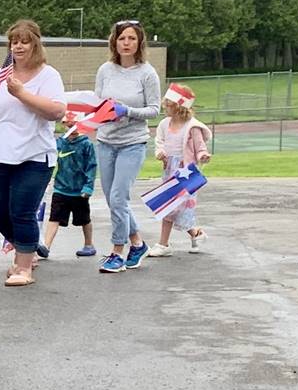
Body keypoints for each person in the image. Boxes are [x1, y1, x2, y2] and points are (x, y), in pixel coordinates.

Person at [0, 19, 67, 288]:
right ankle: (28, 246)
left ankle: (23, 266)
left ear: (36, 44)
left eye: (25, 41)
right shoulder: (0, 76)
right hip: (1, 155)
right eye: (14, 41)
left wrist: (21, 93)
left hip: (35, 155)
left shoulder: (48, 75)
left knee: (21, 210)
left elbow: (56, 111)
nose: (18, 46)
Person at [91, 18, 162, 273]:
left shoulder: (147, 73)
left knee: (120, 196)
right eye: (122, 38)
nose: (126, 43)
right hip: (106, 141)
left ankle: (116, 252)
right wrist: (101, 112)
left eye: (131, 38)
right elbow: (97, 103)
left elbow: (154, 109)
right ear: (115, 41)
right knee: (113, 200)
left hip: (132, 142)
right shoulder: (105, 70)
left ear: (139, 41)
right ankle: (137, 242)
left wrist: (127, 111)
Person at [150, 83, 213, 255]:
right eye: (165, 104)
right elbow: (159, 142)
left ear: (179, 107)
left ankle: (166, 244)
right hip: (169, 170)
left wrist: (202, 156)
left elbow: (200, 147)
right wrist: (160, 153)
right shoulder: (164, 124)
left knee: (175, 207)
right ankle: (192, 235)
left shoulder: (192, 127)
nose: (165, 107)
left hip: (187, 172)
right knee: (171, 207)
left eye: (169, 104)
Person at [40, 122, 99, 259]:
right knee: (54, 218)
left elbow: (91, 166)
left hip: (79, 190)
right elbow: (51, 155)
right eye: (69, 126)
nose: (73, 130)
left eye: (76, 126)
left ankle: (89, 244)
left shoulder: (86, 145)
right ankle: (46, 246)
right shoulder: (61, 143)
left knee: (84, 219)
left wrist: (88, 186)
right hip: (61, 188)